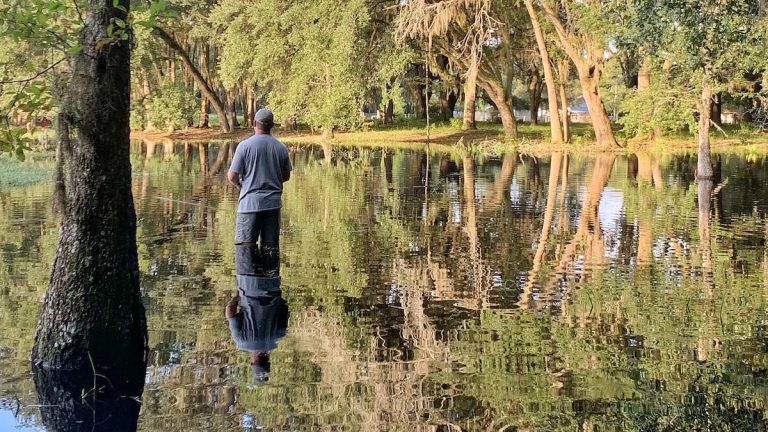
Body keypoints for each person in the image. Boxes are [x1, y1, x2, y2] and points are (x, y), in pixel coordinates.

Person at [227, 109, 292, 265]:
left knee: (245, 248)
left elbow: (232, 176)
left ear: (254, 123)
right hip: (273, 205)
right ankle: (270, 286)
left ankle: (248, 287)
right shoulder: (281, 148)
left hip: (249, 205)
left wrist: (241, 186)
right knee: (271, 249)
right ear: (272, 126)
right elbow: (286, 176)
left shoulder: (244, 146)